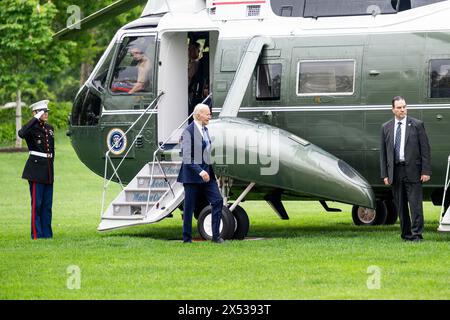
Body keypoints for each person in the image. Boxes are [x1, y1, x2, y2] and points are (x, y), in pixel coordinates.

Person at [380, 96, 431, 242]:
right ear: (393, 109)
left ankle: (416, 235)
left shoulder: (417, 125)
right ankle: (406, 234)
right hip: (395, 172)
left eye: (404, 107)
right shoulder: (386, 127)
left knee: (415, 205)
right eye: (399, 107)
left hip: (414, 171)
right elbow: (383, 154)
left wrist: (426, 171)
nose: (403, 110)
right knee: (401, 206)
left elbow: (425, 149)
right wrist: (385, 174)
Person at [177, 103, 224, 243]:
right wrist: (200, 171)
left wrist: (208, 170)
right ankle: (187, 239)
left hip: (207, 175)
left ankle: (216, 237)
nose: (210, 116)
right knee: (189, 208)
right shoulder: (188, 132)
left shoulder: (205, 130)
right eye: (207, 114)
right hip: (192, 177)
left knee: (218, 201)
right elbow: (187, 158)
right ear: (198, 115)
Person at [18, 100, 55, 239]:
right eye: (42, 111)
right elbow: (21, 133)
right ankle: (36, 235)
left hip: (48, 171)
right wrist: (34, 118)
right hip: (35, 171)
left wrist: (51, 170)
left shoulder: (49, 128)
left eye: (46, 111)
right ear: (35, 113)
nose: (46, 113)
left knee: (47, 206)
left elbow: (52, 152)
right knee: (37, 205)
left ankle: (47, 235)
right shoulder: (31, 129)